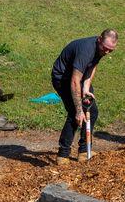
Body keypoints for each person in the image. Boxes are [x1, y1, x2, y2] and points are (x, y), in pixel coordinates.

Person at [51, 29, 118, 165]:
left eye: (110, 50)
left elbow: (92, 66)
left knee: (92, 112)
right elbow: (75, 81)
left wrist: (86, 87)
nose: (106, 52)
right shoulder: (86, 50)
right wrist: (79, 110)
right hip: (63, 78)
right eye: (105, 48)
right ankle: (63, 154)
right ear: (99, 39)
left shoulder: (100, 49)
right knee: (75, 114)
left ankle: (83, 151)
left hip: (79, 78)